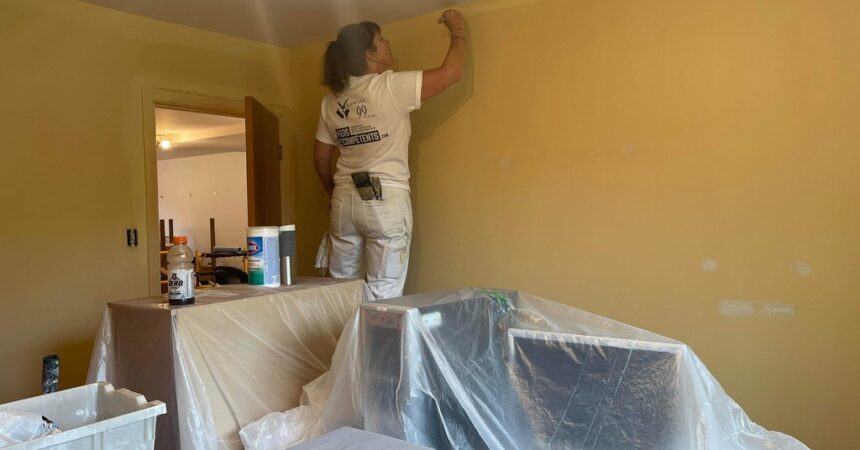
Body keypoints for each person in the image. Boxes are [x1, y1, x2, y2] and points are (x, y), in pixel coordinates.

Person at [313, 10, 467, 299]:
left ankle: (341, 331)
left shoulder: (330, 101)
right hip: (384, 199)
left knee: (340, 290)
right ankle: (371, 331)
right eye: (382, 40)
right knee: (383, 294)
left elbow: (321, 157)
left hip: (344, 198)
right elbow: (450, 75)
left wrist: (332, 191)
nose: (388, 43)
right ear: (369, 54)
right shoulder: (389, 86)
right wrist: (457, 31)